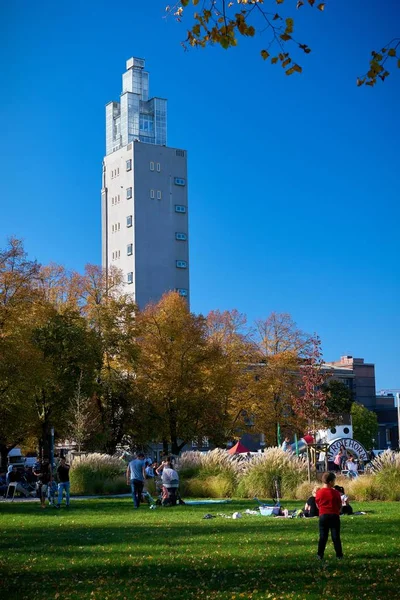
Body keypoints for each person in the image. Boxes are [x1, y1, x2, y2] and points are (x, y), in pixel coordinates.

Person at [315, 472, 343, 560]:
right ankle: (339, 555)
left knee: (323, 536)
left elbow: (317, 504)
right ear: (330, 482)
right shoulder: (336, 493)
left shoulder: (319, 493)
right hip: (334, 515)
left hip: (323, 515)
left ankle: (320, 554)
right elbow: (339, 505)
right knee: (336, 537)